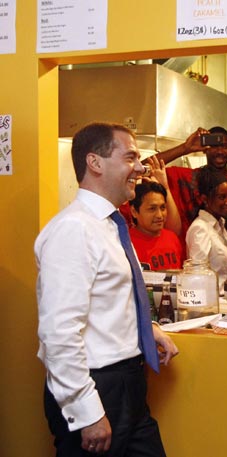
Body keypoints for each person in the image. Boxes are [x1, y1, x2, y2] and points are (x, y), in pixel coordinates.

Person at [35, 122, 179, 456]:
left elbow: (106, 297)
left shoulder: (110, 225)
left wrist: (148, 328)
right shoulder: (73, 230)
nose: (141, 168)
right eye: (131, 157)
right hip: (96, 386)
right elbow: (59, 332)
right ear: (95, 163)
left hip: (128, 383)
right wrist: (88, 412)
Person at [153, 126, 227, 257]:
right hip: (189, 259)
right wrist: (184, 148)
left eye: (225, 146)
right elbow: (144, 167)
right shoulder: (186, 176)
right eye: (214, 146)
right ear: (205, 149)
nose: (220, 151)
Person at [186, 167, 227, 294]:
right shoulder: (200, 228)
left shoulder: (220, 224)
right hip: (211, 303)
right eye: (222, 197)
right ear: (204, 199)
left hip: (225, 300)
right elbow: (197, 277)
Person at [129, 181, 184, 271]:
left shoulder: (172, 237)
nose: (159, 215)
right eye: (152, 209)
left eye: (163, 208)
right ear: (134, 212)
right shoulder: (127, 244)